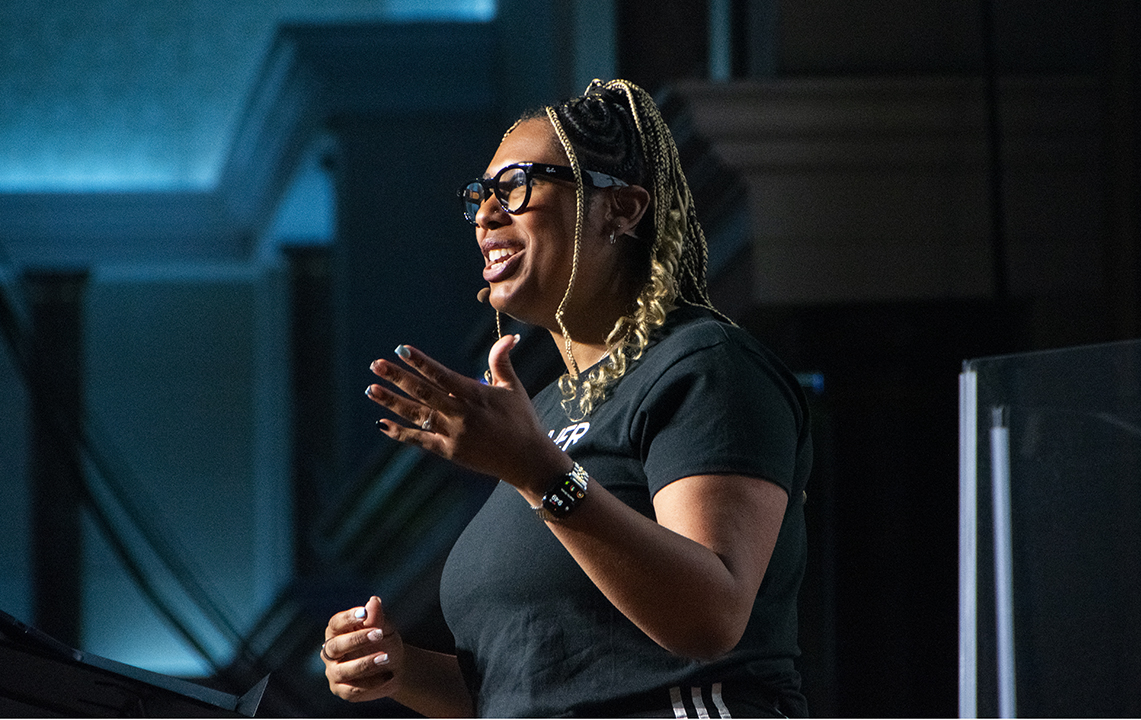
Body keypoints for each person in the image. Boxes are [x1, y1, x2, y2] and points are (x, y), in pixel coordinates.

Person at [320, 79, 812, 718]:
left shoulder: (705, 367)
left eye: (518, 187)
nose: (487, 216)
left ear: (622, 208)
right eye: (481, 198)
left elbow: (710, 617)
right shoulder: (545, 413)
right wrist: (399, 668)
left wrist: (534, 470)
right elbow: (518, 689)